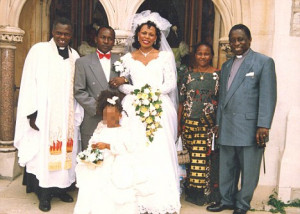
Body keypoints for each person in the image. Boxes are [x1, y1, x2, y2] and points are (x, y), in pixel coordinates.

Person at [109, 10, 181, 214]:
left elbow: (170, 84)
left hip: (159, 107)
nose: (147, 37)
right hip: (134, 108)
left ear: (157, 36)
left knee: (158, 149)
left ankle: (159, 198)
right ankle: (136, 198)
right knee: (135, 149)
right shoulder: (127, 59)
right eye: (143, 33)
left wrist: (150, 93)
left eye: (151, 34)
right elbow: (122, 85)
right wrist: (139, 92)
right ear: (137, 34)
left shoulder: (165, 57)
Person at [206, 24, 277, 214]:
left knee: (249, 170)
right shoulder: (227, 65)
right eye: (233, 40)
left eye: (240, 39)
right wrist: (219, 123)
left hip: (251, 127)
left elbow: (268, 96)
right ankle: (226, 200)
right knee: (227, 167)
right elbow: (222, 99)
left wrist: (263, 125)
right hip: (227, 125)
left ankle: (242, 204)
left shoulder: (263, 62)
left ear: (249, 40)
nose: (236, 43)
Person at [14, 17, 82, 212]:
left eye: (66, 34)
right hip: (44, 114)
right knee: (44, 153)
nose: (62, 37)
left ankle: (60, 189)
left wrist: (77, 113)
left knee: (66, 153)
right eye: (59, 33)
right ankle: (44, 193)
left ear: (71, 35)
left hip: (66, 115)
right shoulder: (39, 51)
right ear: (53, 32)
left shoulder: (74, 55)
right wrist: (31, 112)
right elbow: (29, 81)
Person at [74, 90, 142, 214]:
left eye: (112, 116)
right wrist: (93, 147)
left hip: (116, 162)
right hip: (100, 161)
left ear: (120, 116)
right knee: (92, 183)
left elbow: (128, 148)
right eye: (106, 116)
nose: (109, 119)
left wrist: (108, 146)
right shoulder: (101, 127)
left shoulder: (123, 130)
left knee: (113, 186)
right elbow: (93, 140)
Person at [178, 42, 221, 206]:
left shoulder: (218, 75)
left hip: (207, 124)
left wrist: (218, 123)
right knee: (190, 160)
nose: (203, 57)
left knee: (203, 160)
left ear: (211, 55)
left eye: (206, 54)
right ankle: (190, 192)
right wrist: (179, 124)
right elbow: (181, 101)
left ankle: (204, 194)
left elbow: (221, 101)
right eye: (199, 53)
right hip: (188, 123)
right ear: (194, 55)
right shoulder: (187, 75)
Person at [74, 25, 120, 151]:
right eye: (103, 37)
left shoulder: (121, 61)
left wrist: (115, 110)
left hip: (115, 119)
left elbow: (126, 88)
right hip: (92, 119)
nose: (106, 41)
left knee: (112, 158)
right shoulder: (82, 62)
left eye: (110, 38)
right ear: (95, 39)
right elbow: (79, 91)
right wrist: (99, 108)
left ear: (114, 42)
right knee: (91, 160)